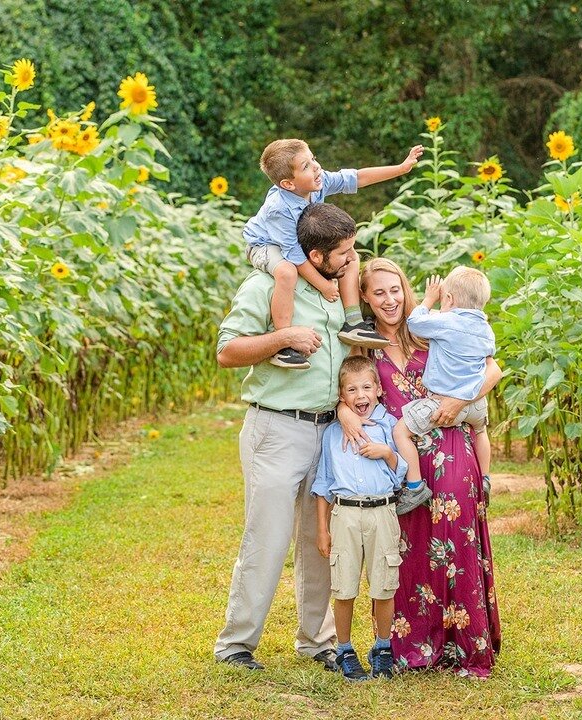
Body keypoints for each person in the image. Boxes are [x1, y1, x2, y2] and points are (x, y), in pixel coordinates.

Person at [213, 202, 362, 672]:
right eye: (344, 252)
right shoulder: (265, 285)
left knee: (322, 541)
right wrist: (283, 338)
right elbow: (228, 351)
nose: (352, 258)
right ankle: (237, 644)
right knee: (269, 539)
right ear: (314, 256)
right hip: (277, 428)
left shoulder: (338, 292)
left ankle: (317, 642)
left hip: (329, 432)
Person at [338, 257, 502, 678]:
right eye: (378, 292)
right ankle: (415, 645)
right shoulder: (362, 344)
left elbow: (493, 369)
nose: (390, 299)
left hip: (451, 448)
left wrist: (460, 402)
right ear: (366, 299)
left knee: (456, 543)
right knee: (408, 549)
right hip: (402, 463)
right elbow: (345, 389)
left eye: (395, 289)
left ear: (406, 289)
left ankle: (464, 645)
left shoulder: (428, 326)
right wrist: (344, 412)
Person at [243, 138, 423, 369]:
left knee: (350, 256)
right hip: (265, 244)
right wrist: (323, 285)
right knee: (286, 273)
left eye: (313, 159)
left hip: (300, 242)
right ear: (288, 184)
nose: (316, 167)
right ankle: (284, 343)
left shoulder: (318, 182)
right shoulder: (278, 209)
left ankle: (353, 322)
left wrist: (400, 168)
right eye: (306, 166)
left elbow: (357, 178)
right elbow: (294, 254)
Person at [312, 355, 407, 681]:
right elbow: (323, 485)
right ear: (342, 396)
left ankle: (382, 647)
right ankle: (345, 650)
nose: (361, 395)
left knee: (384, 586)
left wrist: (388, 454)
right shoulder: (332, 434)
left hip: (383, 513)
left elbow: (402, 476)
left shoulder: (389, 427)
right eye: (352, 389)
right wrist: (322, 530)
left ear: (379, 389)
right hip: (346, 515)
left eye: (367, 387)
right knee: (345, 588)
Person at [392, 268, 496, 515]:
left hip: (441, 403)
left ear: (448, 299)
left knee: (400, 432)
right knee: (481, 430)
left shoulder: (447, 322)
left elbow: (415, 323)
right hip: (475, 403)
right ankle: (486, 478)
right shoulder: (486, 329)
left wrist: (428, 300)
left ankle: (415, 486)